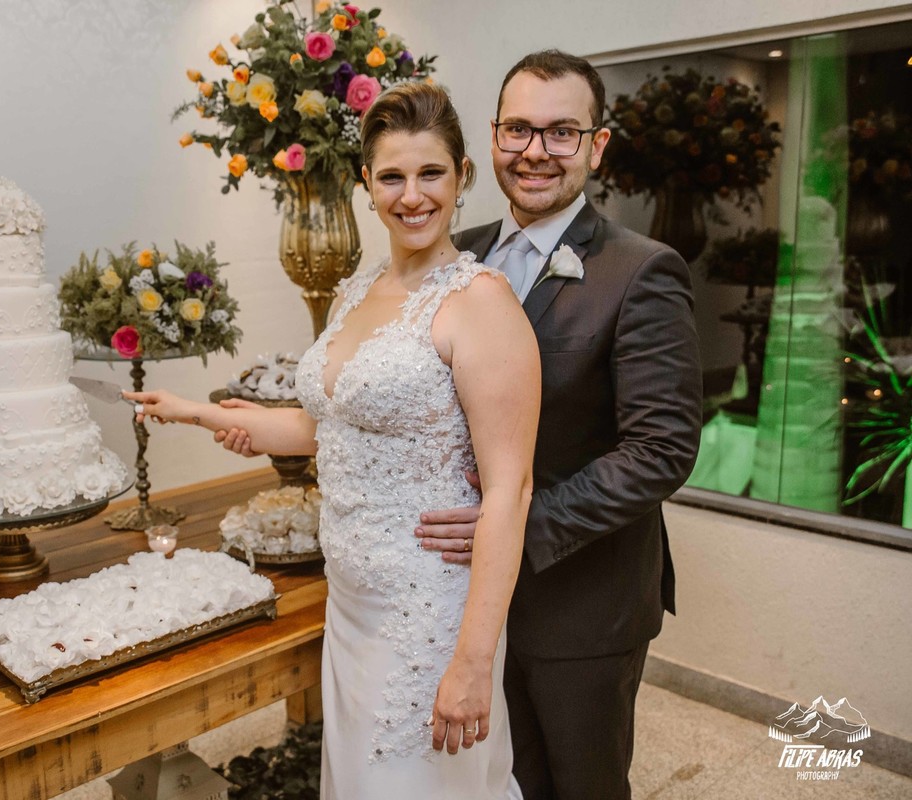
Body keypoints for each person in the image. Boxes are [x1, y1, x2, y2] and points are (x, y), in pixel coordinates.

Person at [127, 82, 537, 799]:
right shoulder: (357, 288)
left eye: (431, 173)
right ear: (365, 186)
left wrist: (473, 661)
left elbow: (512, 489)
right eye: (392, 177)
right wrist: (192, 411)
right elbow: (318, 427)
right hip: (350, 598)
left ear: (463, 175)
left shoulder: (479, 303)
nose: (412, 196)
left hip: (427, 608)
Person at [414, 51, 703, 799]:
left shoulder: (642, 272)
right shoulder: (457, 254)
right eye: (518, 130)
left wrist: (513, 529)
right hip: (457, 596)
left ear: (596, 146)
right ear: (493, 136)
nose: (535, 151)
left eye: (561, 133)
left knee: (575, 786)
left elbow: (660, 450)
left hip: (581, 602)